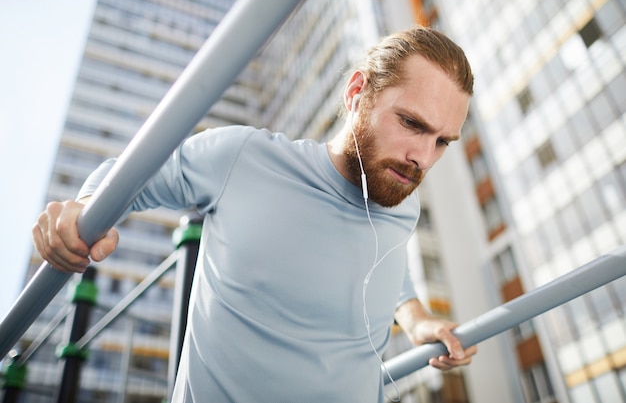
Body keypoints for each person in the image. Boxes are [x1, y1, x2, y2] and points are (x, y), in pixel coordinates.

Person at [33, 25, 477, 402]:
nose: (422, 156)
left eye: (442, 141)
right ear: (357, 93)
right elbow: (124, 178)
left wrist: (417, 320)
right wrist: (84, 213)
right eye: (412, 124)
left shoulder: (401, 199)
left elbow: (386, 264)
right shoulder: (242, 157)